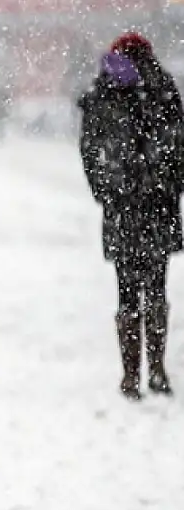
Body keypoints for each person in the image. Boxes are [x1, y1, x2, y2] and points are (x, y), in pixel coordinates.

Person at [78, 32, 184, 399]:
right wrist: (171, 184)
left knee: (127, 293)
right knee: (156, 288)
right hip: (157, 206)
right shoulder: (163, 89)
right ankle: (155, 369)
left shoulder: (106, 93)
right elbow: (178, 145)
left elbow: (89, 149)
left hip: (125, 207)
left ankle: (131, 375)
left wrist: (105, 190)